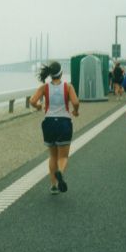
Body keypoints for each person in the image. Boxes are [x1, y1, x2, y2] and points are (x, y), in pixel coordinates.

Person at [29, 61, 79, 194]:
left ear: (50, 75)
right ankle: (60, 172)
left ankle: (54, 186)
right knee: (63, 157)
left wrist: (39, 106)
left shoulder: (44, 87)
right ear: (61, 73)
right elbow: (75, 102)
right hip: (64, 123)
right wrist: (76, 111)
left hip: (49, 123)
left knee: (52, 156)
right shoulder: (68, 87)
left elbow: (32, 101)